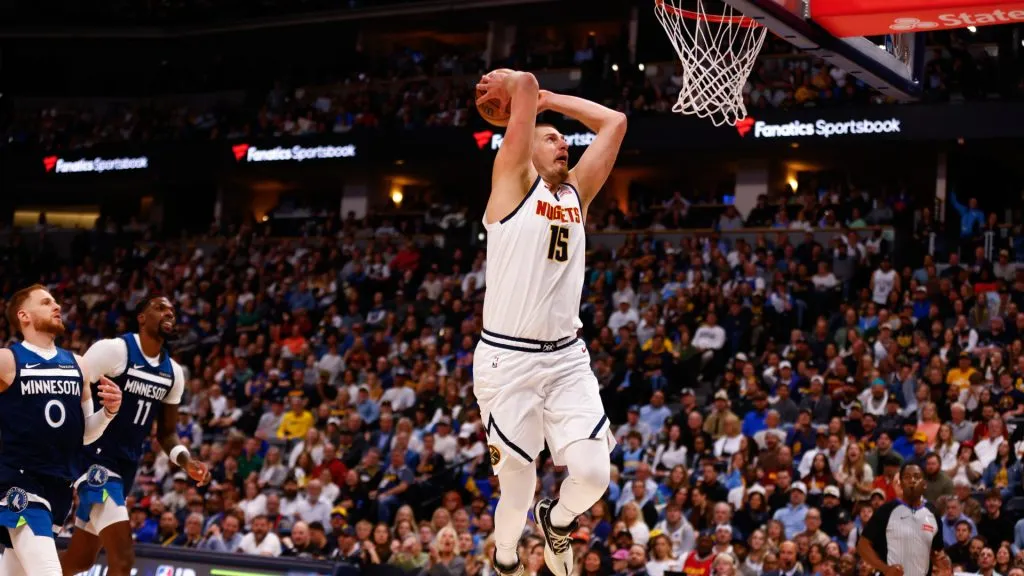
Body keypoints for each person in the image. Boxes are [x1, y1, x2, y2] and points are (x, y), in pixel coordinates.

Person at [471, 68, 626, 576]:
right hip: (507, 359)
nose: (563, 143)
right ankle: (506, 557)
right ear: (526, 146)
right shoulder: (512, 184)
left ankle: (557, 523)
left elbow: (615, 123)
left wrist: (553, 100)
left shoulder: (576, 194)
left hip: (564, 357)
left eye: (564, 138)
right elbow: (527, 83)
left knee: (593, 475)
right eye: (551, 137)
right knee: (516, 489)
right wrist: (526, 95)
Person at [60, 295, 211, 576]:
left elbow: (166, 434)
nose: (169, 313)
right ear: (141, 317)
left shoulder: (173, 374)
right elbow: (71, 386)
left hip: (125, 466)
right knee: (123, 559)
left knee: (79, 561)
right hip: (94, 459)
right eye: (160, 308)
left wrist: (186, 461)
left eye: (173, 310)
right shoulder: (114, 351)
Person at [0, 284, 122, 576]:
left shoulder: (78, 365)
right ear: (24, 316)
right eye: (46, 302)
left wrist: (109, 412)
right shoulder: (7, 359)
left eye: (55, 302)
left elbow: (85, 434)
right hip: (18, 483)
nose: (56, 306)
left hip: (60, 489)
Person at [857, 462, 949, 576]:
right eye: (907, 477)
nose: (912, 480)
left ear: (925, 484)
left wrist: (944, 566)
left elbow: (937, 552)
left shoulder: (933, 513)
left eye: (917, 477)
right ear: (900, 484)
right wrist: (885, 568)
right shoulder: (886, 510)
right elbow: (862, 545)